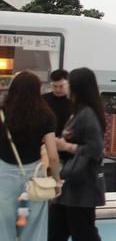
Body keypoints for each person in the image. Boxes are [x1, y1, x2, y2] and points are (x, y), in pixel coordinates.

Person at [0, 71, 61, 241]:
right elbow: (53, 155)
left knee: (3, 223)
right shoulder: (46, 115)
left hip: (4, 172)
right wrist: (56, 180)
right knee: (35, 223)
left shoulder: (2, 113)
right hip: (35, 174)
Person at [49, 68, 106, 241]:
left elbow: (96, 149)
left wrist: (66, 146)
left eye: (68, 84)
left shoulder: (87, 115)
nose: (64, 88)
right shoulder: (78, 112)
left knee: (83, 233)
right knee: (55, 232)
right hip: (70, 187)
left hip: (81, 187)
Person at [43, 69, 71, 137]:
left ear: (68, 84)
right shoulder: (43, 99)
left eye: (61, 86)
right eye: (54, 86)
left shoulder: (73, 100)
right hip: (47, 138)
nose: (58, 90)